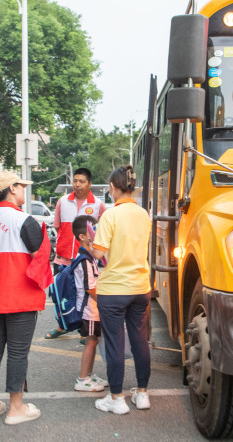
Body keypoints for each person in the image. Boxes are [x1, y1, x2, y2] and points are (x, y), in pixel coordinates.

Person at [0, 171, 46, 425]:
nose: (24, 190)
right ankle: (16, 408)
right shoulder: (24, 220)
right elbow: (40, 257)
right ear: (13, 188)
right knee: (17, 352)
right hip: (19, 296)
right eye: (21, 186)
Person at [92, 165, 152, 415]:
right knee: (140, 340)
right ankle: (142, 393)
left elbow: (98, 253)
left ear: (113, 188)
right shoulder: (144, 214)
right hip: (141, 286)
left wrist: (89, 243)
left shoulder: (110, 215)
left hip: (114, 289)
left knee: (115, 343)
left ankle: (117, 398)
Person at [46, 167, 106, 340]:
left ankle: (84, 332)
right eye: (75, 181)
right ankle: (63, 325)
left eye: (82, 181)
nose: (77, 184)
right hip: (63, 259)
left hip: (84, 260)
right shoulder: (63, 202)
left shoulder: (98, 205)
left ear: (89, 184)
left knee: (85, 296)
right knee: (62, 295)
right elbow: (57, 226)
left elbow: (102, 231)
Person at [71, 215, 108, 393]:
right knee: (91, 342)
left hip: (92, 309)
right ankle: (82, 379)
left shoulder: (90, 256)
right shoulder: (84, 260)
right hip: (89, 309)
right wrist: (104, 303)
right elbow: (90, 288)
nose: (96, 233)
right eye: (92, 230)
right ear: (82, 237)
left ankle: (89, 375)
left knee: (93, 341)